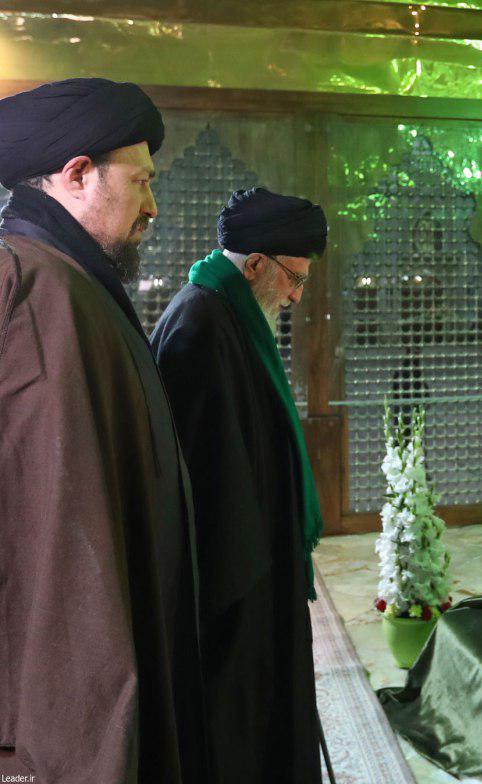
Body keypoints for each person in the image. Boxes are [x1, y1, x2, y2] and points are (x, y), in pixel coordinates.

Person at [0, 78, 207, 782]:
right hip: (68, 715)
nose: (153, 205)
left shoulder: (71, 279)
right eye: (141, 181)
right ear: (78, 174)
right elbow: (51, 542)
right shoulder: (31, 287)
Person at [150, 187, 327, 783]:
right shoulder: (200, 323)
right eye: (294, 279)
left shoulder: (229, 313)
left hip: (260, 566)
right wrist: (249, 592)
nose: (296, 296)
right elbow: (201, 480)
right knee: (238, 728)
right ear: (254, 264)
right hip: (233, 586)